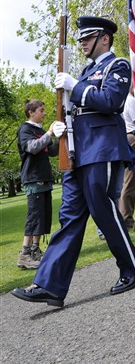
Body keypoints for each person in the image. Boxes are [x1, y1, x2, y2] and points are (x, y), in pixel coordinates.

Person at [11, 16, 135, 307]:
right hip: (78, 151)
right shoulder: (86, 71)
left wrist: (76, 87)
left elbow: (111, 101)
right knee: (70, 217)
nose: (83, 43)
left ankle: (133, 269)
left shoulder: (117, 65)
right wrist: (59, 127)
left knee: (103, 209)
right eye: (81, 39)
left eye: (88, 37)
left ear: (105, 39)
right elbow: (77, 110)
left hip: (103, 148)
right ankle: (49, 285)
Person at [16, 99, 59, 270]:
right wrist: (49, 133)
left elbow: (53, 152)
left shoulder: (40, 131)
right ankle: (24, 254)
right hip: (34, 179)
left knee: (42, 217)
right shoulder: (25, 129)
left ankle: (35, 250)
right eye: (41, 110)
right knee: (34, 217)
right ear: (31, 112)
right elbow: (33, 148)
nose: (44, 113)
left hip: (44, 178)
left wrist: (59, 136)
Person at [118, 86, 135, 228]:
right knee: (130, 181)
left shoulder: (129, 100)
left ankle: (128, 216)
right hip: (133, 138)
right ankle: (126, 218)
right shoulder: (131, 101)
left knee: (132, 182)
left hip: (132, 138)